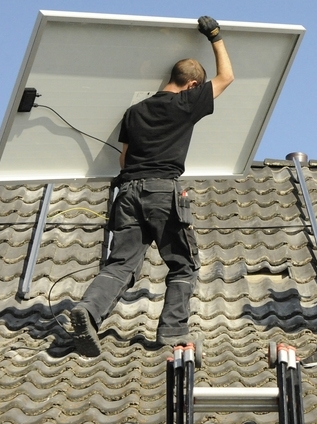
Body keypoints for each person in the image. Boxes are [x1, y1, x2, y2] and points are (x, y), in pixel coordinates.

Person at [70, 16, 234, 357]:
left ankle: (88, 310)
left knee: (120, 264)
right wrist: (215, 36)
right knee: (183, 263)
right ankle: (173, 332)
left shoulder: (134, 112)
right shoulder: (187, 103)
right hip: (163, 192)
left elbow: (124, 160)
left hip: (127, 194)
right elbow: (227, 78)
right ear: (191, 85)